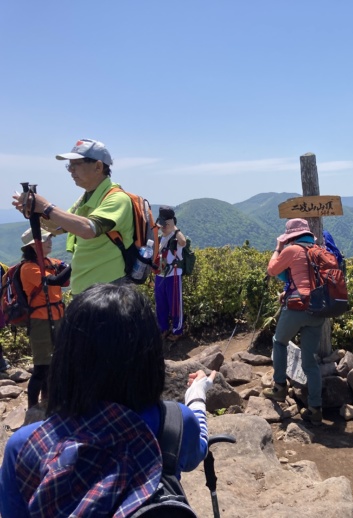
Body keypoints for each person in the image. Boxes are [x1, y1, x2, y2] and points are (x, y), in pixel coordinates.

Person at [0, 284, 214, 517]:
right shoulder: (174, 422)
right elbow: (197, 452)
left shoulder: (25, 445)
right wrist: (197, 397)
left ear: (66, 356)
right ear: (150, 354)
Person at [11, 138, 133, 294]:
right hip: (85, 287)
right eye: (69, 165)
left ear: (98, 166)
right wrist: (36, 211)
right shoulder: (86, 198)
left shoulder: (117, 198)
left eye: (76, 164)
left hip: (108, 289)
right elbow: (60, 227)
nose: (71, 170)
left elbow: (88, 229)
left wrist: (47, 207)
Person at [262, 218, 325, 425]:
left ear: (291, 236)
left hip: (298, 308)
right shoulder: (319, 250)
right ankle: (315, 409)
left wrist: (277, 248)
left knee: (279, 342)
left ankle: (279, 387)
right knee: (310, 360)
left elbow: (271, 270)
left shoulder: (291, 250)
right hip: (318, 310)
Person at [17, 228, 71, 408]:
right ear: (34, 245)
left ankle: (46, 400)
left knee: (54, 362)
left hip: (56, 316)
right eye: (45, 239)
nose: (50, 242)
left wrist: (65, 267)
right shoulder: (29, 268)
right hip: (40, 320)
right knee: (41, 367)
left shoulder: (49, 262)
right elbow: (55, 281)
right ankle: (33, 408)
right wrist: (74, 263)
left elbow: (65, 281)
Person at [155, 206, 187, 342]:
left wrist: (174, 228)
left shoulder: (175, 238)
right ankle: (163, 328)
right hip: (160, 275)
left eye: (165, 224)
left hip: (173, 275)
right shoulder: (161, 239)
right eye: (162, 223)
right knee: (160, 304)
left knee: (175, 304)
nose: (163, 226)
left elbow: (183, 242)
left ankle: (177, 330)